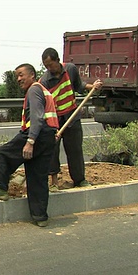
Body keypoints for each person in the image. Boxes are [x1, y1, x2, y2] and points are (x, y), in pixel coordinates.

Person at [0, 63, 59, 227]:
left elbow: (37, 117)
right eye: (17, 76)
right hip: (47, 136)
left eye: (21, 75)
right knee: (37, 178)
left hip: (36, 134)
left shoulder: (34, 89)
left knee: (3, 154)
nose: (18, 79)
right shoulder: (44, 90)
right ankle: (40, 217)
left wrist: (30, 142)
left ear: (32, 75)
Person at [39, 47, 103, 189]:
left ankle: (79, 180)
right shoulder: (44, 82)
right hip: (55, 120)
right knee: (52, 150)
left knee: (74, 149)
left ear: (58, 61)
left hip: (72, 116)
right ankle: (54, 182)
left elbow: (79, 86)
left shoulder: (70, 69)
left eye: (51, 65)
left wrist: (93, 86)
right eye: (46, 66)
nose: (49, 68)